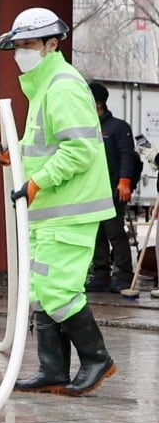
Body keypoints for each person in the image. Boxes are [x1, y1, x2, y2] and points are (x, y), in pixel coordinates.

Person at [0, 7, 117, 396]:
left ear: (53, 44)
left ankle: (97, 359)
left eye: (29, 44)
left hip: (69, 208)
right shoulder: (45, 86)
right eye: (18, 46)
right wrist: (16, 158)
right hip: (51, 209)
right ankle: (53, 369)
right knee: (41, 291)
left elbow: (79, 150)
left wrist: (35, 182)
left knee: (60, 291)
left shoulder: (62, 85)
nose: (21, 52)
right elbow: (46, 146)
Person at [85, 82, 135, 292]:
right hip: (90, 190)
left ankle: (123, 274)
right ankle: (101, 274)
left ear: (97, 103)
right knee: (95, 234)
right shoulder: (85, 127)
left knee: (115, 232)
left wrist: (125, 180)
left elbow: (127, 154)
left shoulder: (117, 127)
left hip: (112, 189)